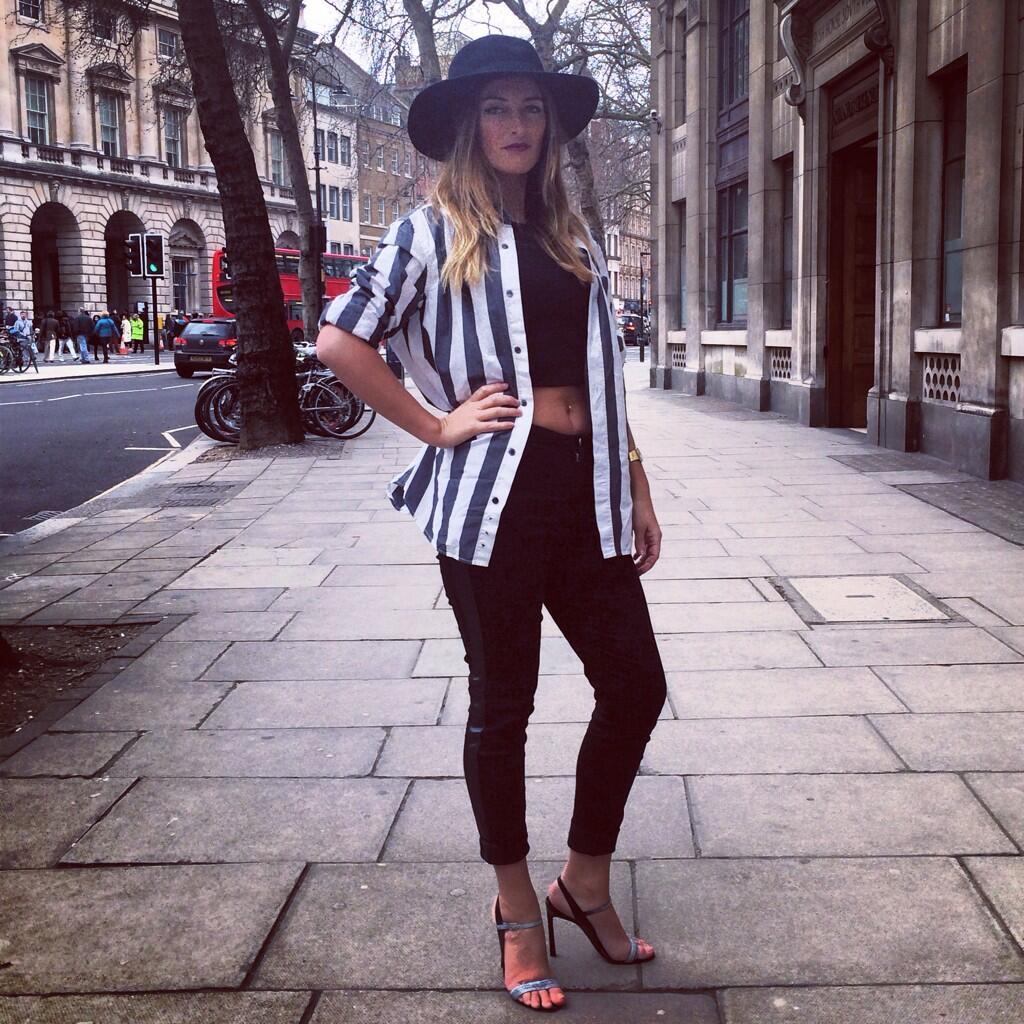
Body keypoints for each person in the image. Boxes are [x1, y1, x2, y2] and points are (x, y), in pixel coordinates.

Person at [315, 35, 665, 1014]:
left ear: (548, 124)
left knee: (635, 685)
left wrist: (637, 482)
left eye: (531, 107)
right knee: (502, 707)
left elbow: (602, 376)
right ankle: (516, 911)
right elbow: (339, 340)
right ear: (472, 125)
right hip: (492, 509)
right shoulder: (428, 233)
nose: (517, 124)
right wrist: (436, 424)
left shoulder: (572, 235)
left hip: (586, 497)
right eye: (498, 108)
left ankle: (582, 882)